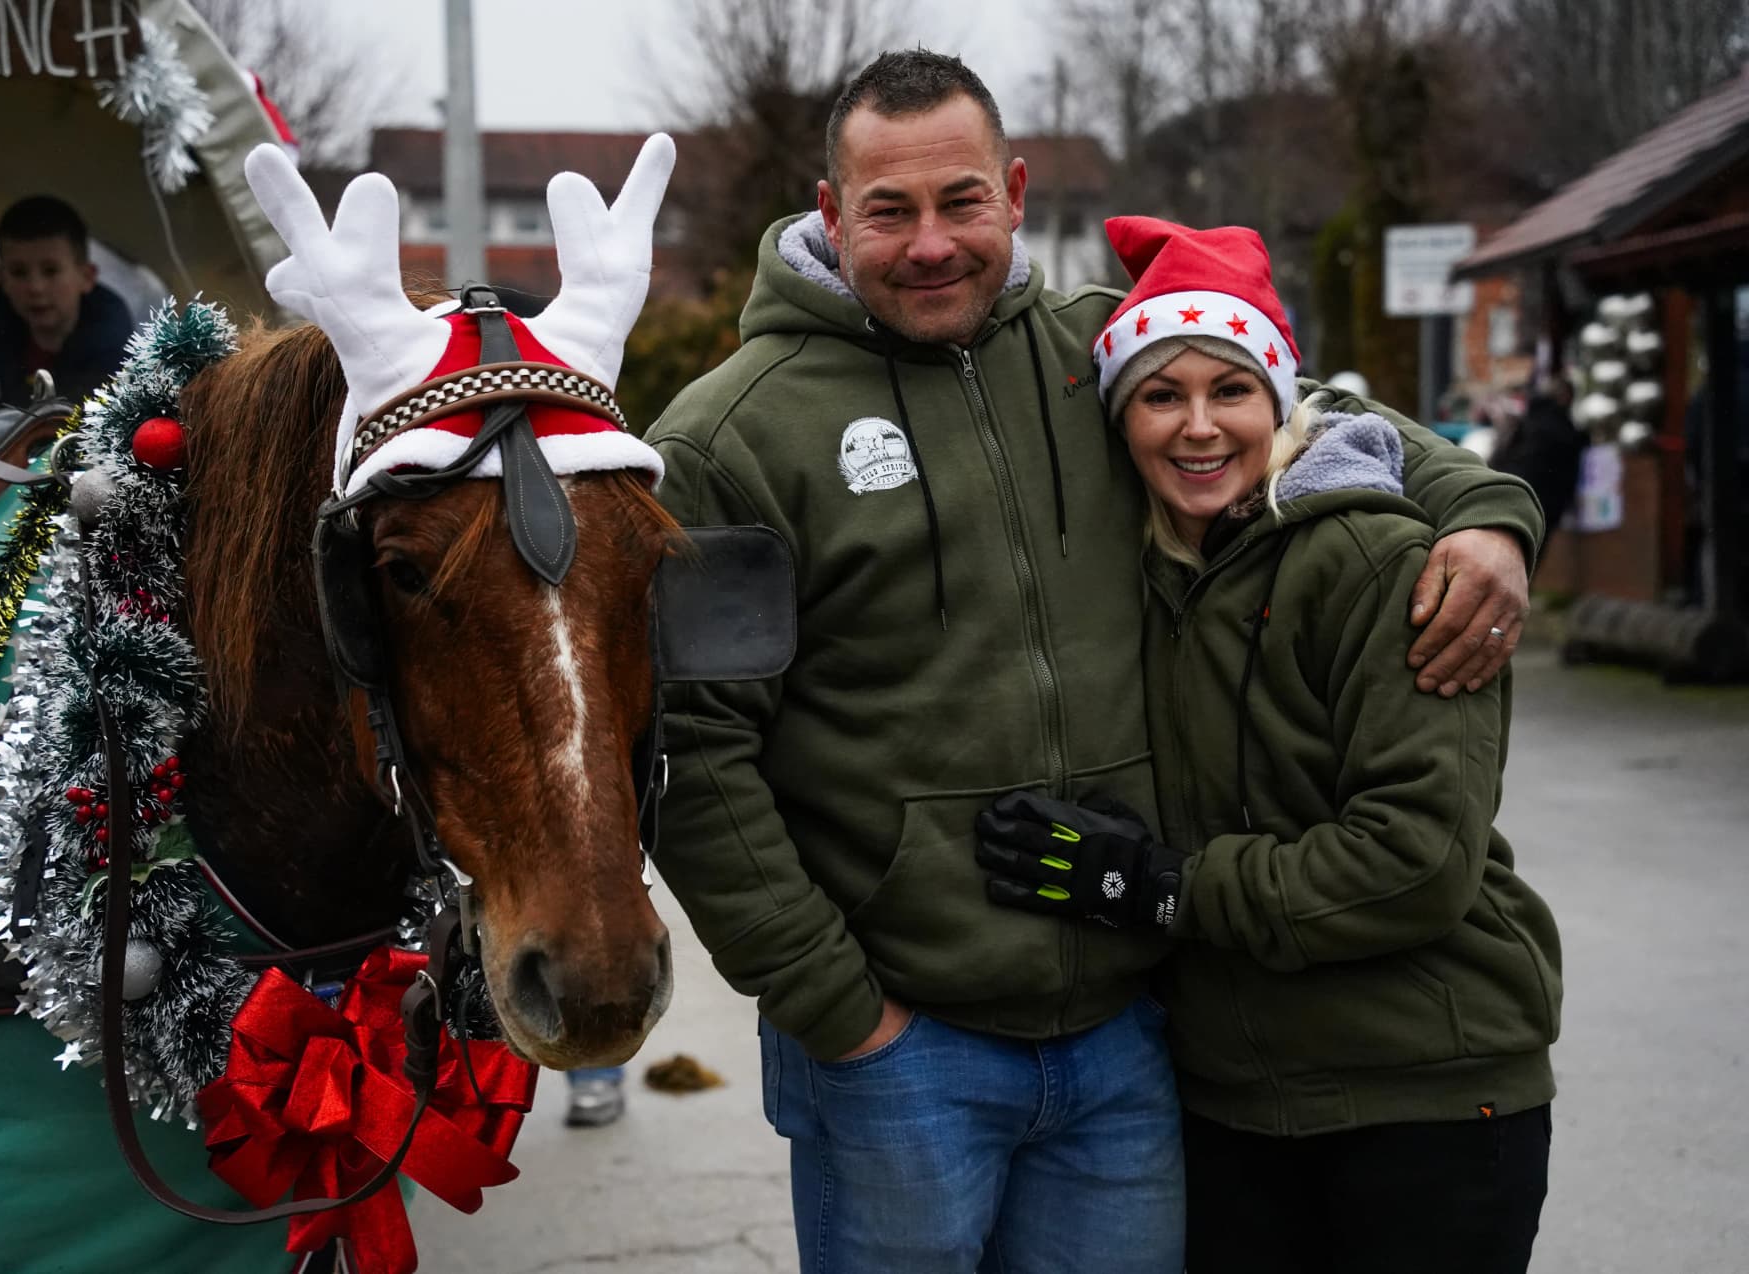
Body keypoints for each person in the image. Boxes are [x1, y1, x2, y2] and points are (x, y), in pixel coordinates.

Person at [644, 48, 1543, 1274]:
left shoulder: (1099, 353)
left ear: (1014, 194)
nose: (929, 244)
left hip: (1130, 1032)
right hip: (904, 1048)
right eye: (887, 210)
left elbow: (1306, 411)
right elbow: (696, 755)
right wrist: (844, 1015)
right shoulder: (725, 440)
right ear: (827, 213)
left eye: (961, 201)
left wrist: (1489, 511)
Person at [976, 217, 1560, 1273]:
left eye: (1231, 389)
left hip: (1422, 1091)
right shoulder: (1147, 578)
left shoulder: (1385, 564)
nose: (1198, 427)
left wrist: (1163, 886)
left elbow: (1416, 859)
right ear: (1122, 418)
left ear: (1281, 401)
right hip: (1236, 1100)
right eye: (1161, 395)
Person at [0, 195, 133, 420]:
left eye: (50, 271)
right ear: (2, 279)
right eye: (19, 272)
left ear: (86, 277)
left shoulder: (122, 357)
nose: (35, 288)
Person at [1491, 374, 1585, 562]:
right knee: (1529, 551)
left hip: (1511, 486)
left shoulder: (1529, 418)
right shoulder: (1560, 426)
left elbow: (1503, 452)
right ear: (1565, 397)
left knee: (1504, 545)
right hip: (1540, 498)